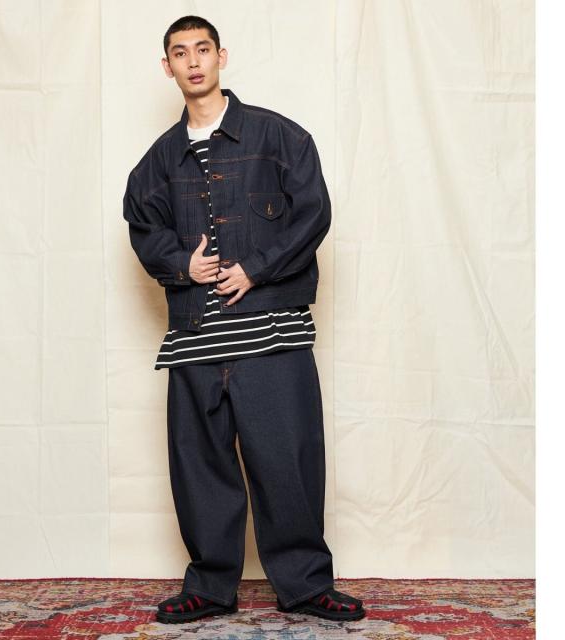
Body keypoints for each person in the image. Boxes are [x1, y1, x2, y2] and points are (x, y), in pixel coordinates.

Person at [122, 15, 366, 625]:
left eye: (202, 49)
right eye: (181, 53)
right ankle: (210, 586)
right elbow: (141, 224)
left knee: (288, 461)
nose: (193, 61)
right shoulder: (157, 160)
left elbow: (313, 212)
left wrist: (255, 269)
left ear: (221, 56)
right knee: (199, 468)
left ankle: (305, 585)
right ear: (168, 67)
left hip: (271, 332)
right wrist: (182, 264)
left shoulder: (279, 136)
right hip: (195, 339)